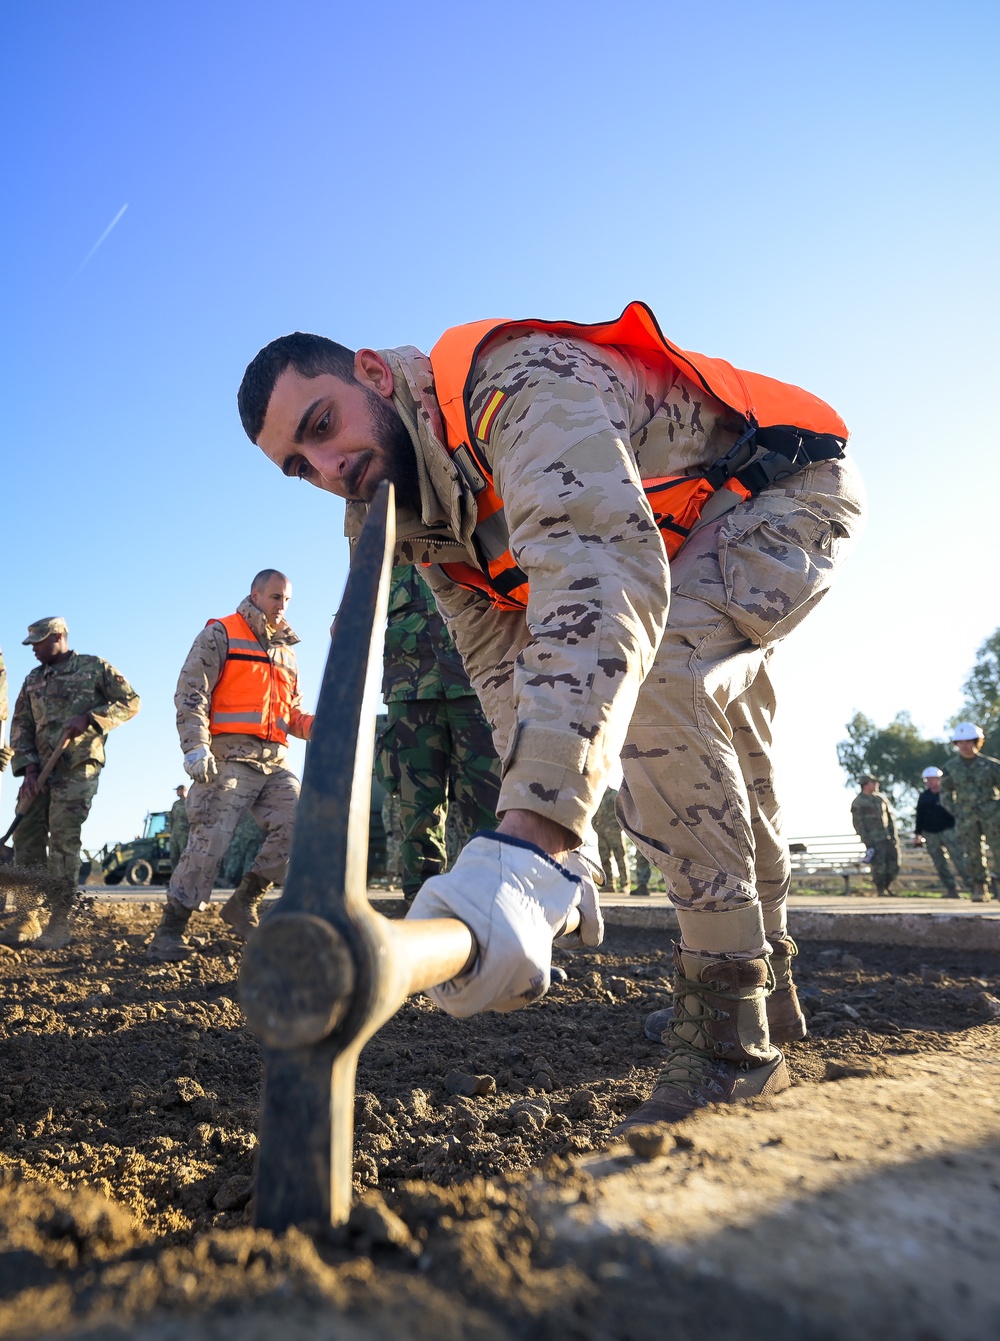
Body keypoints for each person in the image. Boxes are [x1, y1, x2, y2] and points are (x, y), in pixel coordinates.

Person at [238, 299, 864, 1126]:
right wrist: (560, 856)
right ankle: (767, 985)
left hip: (781, 492)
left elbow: (602, 582)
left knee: (661, 672)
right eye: (300, 465)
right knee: (718, 733)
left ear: (375, 374)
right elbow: (504, 669)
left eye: (323, 424)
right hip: (679, 544)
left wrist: (538, 839)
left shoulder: (520, 387)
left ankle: (728, 1035)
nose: (327, 466)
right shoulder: (417, 518)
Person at [147, 570, 314, 961]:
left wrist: (316, 726)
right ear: (255, 595)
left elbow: (291, 714)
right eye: (275, 597)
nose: (281, 606)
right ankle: (170, 931)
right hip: (227, 756)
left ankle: (244, 902)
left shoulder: (288, 653)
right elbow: (191, 693)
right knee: (210, 841)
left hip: (274, 760)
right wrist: (195, 747)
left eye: (286, 600)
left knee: (302, 825)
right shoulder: (220, 633)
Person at [5, 617, 140, 947]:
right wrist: (29, 770)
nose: (33, 649)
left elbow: (131, 702)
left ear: (60, 637)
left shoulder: (93, 668)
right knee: (26, 836)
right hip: (39, 773)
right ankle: (28, 916)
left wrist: (92, 719)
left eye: (39, 642)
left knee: (64, 841)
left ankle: (59, 921)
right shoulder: (33, 680)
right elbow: (20, 726)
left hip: (77, 768)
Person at [375, 565, 501, 902]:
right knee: (417, 807)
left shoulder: (466, 531)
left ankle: (491, 895)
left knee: (487, 800)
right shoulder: (383, 553)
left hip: (475, 683)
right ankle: (420, 900)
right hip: (409, 692)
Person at [940, 723, 1000, 904]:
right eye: (960, 742)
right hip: (966, 817)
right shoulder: (950, 767)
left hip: (993, 816)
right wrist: (956, 810)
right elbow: (945, 793)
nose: (964, 745)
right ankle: (979, 888)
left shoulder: (991, 765)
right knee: (972, 853)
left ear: (977, 742)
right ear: (956, 744)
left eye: (968, 741)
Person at [913, 766, 966, 898]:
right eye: (928, 780)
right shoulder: (923, 797)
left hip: (949, 831)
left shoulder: (948, 794)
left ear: (940, 779)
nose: (931, 782)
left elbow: (958, 813)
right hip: (930, 833)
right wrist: (918, 833)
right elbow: (919, 815)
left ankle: (976, 888)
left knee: (960, 859)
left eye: (934, 779)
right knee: (939, 863)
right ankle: (952, 889)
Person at [850, 774, 900, 897]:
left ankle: (887, 886)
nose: (876, 785)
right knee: (879, 866)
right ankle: (881, 889)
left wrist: (894, 835)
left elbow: (890, 818)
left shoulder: (880, 799)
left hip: (887, 838)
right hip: (873, 839)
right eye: (873, 782)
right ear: (866, 784)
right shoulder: (858, 802)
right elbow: (858, 823)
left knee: (894, 864)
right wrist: (866, 839)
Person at [594, 786, 630, 893]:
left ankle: (625, 885)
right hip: (601, 833)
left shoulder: (614, 795)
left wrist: (618, 827)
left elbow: (623, 812)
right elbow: (593, 813)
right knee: (604, 859)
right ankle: (609, 885)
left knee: (620, 858)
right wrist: (596, 827)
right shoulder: (597, 795)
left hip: (614, 833)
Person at [168, 784, 190, 868]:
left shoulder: (190, 802)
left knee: (184, 855)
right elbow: (171, 818)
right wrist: (171, 831)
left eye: (178, 790)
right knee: (174, 856)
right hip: (175, 834)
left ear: (183, 791)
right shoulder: (176, 804)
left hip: (185, 834)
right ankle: (175, 875)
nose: (177, 792)